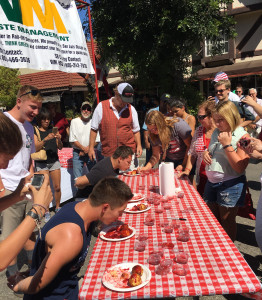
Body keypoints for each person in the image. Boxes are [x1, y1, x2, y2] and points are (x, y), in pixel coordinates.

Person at [9, 177, 133, 299]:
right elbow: (36, 284)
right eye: (120, 212)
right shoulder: (71, 237)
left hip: (68, 287)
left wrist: (30, 271)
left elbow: (50, 259)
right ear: (105, 207)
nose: (120, 217)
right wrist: (17, 286)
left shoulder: (79, 207)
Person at [0, 85, 43, 280]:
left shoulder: (28, 126)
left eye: (38, 108)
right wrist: (1, 188)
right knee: (9, 237)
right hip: (8, 188)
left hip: (25, 187)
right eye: (32, 107)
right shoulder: (4, 123)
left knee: (30, 229)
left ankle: (35, 265)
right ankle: (12, 275)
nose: (36, 112)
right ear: (19, 101)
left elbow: (29, 157)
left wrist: (32, 178)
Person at [203, 100, 250, 241]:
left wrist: (227, 145)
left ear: (231, 116)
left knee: (227, 221)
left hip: (230, 183)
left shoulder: (243, 136)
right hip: (211, 182)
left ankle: (229, 252)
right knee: (213, 220)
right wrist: (206, 152)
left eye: (221, 120)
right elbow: (211, 150)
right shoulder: (217, 131)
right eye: (215, 120)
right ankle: (217, 247)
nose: (217, 124)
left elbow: (240, 167)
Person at [88, 83, 142, 168]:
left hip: (128, 155)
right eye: (123, 99)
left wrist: (139, 145)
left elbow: (136, 130)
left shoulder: (131, 109)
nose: (125, 103)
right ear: (117, 94)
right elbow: (94, 129)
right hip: (109, 155)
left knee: (129, 180)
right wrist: (91, 148)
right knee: (111, 180)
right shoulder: (101, 107)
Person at [179, 101, 216, 196]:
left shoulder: (221, 130)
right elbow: (192, 153)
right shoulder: (199, 130)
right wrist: (187, 170)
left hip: (219, 179)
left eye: (201, 117)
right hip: (203, 178)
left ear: (211, 115)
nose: (199, 120)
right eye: (197, 117)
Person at [33, 107, 63, 216]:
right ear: (40, 119)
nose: (47, 121)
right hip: (42, 163)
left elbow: (60, 147)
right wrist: (46, 139)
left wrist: (58, 139)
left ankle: (58, 207)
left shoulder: (53, 130)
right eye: (44, 119)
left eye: (48, 119)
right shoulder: (35, 130)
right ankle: (46, 211)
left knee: (57, 187)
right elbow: (35, 148)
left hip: (54, 160)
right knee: (45, 188)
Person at [69, 101, 100, 179]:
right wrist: (84, 149)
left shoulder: (94, 122)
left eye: (88, 109)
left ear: (91, 111)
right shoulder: (74, 121)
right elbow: (72, 139)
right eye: (84, 108)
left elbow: (97, 139)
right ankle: (79, 191)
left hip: (91, 151)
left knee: (94, 177)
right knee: (77, 179)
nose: (86, 111)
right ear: (81, 109)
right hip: (77, 153)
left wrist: (88, 150)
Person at [143, 93, 171, 165]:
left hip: (164, 141)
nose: (166, 104)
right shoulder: (152, 112)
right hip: (153, 139)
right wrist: (146, 141)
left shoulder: (169, 113)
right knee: (150, 160)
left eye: (168, 102)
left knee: (162, 162)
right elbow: (146, 128)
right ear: (160, 101)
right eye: (164, 102)